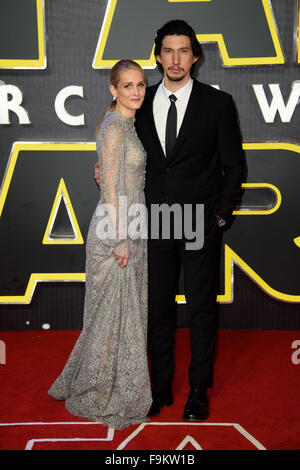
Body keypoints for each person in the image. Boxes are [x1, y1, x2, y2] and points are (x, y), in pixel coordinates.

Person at [95, 20, 245, 421]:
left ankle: (198, 390)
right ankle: (159, 388)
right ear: (157, 55)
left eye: (183, 51)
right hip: (155, 222)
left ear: (195, 56)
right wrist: (103, 172)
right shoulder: (140, 104)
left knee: (200, 309)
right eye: (168, 50)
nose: (175, 59)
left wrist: (221, 217)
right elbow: (120, 153)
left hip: (200, 222)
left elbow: (234, 167)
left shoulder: (218, 104)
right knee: (158, 309)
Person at [48, 59, 152, 429]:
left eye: (140, 84)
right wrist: (120, 238)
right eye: (128, 86)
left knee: (126, 312)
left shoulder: (127, 125)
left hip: (133, 221)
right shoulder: (113, 128)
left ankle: (115, 384)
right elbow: (110, 188)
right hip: (117, 229)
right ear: (113, 89)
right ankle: (97, 389)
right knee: (111, 313)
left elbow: (113, 176)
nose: (137, 91)